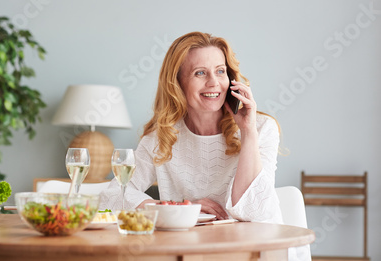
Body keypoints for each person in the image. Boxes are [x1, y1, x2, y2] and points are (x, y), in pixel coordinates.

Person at [100, 32, 309, 259]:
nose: (213, 82)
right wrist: (176, 209)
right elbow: (113, 196)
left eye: (220, 71)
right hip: (188, 252)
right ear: (177, 83)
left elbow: (254, 212)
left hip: (257, 251)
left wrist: (247, 132)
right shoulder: (162, 136)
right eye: (200, 73)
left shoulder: (260, 128)